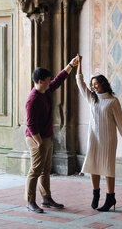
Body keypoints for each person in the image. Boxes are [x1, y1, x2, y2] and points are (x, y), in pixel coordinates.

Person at [76, 55, 122, 212]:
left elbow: (120, 122)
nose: (94, 87)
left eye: (96, 84)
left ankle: (110, 197)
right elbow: (80, 83)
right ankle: (96, 193)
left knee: (108, 167)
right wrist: (79, 64)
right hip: (93, 138)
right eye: (92, 84)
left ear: (103, 84)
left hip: (108, 140)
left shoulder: (113, 101)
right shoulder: (91, 99)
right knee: (93, 165)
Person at [25, 55, 80, 213]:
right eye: (47, 80)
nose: (50, 82)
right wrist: (39, 142)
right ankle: (30, 201)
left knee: (46, 168)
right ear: (40, 81)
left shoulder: (45, 92)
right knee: (35, 169)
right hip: (36, 138)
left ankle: (46, 198)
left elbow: (58, 80)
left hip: (46, 137)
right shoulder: (33, 99)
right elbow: (31, 125)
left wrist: (71, 65)